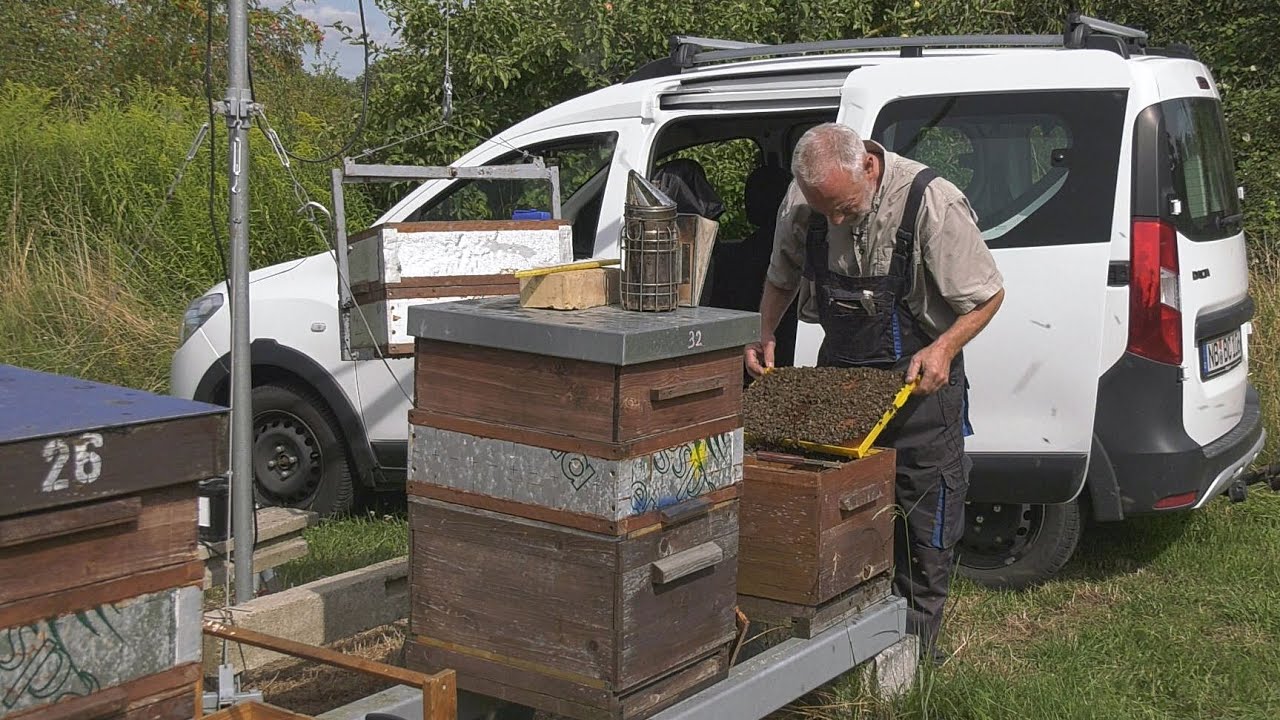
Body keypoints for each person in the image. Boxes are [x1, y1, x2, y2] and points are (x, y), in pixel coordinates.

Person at [744, 122, 1005, 662]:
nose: (834, 220)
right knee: (840, 517)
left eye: (843, 208)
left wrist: (944, 349)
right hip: (840, 382)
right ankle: (840, 651)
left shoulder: (930, 202)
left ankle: (914, 661)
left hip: (921, 390)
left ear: (868, 164)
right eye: (825, 212)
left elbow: (987, 296)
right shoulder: (805, 199)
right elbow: (782, 275)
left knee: (923, 521)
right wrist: (765, 330)